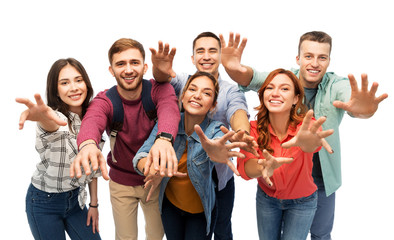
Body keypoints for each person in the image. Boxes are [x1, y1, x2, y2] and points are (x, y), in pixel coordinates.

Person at [220, 31, 388, 239]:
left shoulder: (337, 84)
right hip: (281, 180)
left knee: (320, 234)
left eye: (322, 57)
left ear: (329, 61)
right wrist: (233, 68)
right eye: (309, 56)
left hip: (320, 179)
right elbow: (252, 78)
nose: (315, 63)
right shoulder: (284, 81)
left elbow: (353, 102)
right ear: (298, 59)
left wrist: (364, 109)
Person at [70, 38, 181, 240]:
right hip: (121, 183)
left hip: (154, 179)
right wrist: (87, 144)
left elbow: (170, 110)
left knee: (156, 235)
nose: (128, 70)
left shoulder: (159, 90)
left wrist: (164, 139)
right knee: (125, 237)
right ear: (111, 70)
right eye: (121, 64)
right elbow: (92, 120)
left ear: (145, 67)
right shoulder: (105, 100)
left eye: (134, 63)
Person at [150, 32, 257, 240]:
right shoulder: (184, 83)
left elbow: (238, 111)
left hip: (221, 176)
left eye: (212, 51)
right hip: (186, 182)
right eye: (200, 51)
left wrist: (242, 134)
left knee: (223, 228)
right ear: (192, 58)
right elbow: (163, 79)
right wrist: (159, 70)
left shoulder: (230, 91)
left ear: (220, 56)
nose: (206, 56)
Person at [133, 71, 247, 240]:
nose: (198, 96)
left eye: (206, 93)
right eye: (192, 89)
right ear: (183, 95)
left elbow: (219, 143)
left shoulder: (215, 128)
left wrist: (215, 151)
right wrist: (150, 169)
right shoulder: (166, 123)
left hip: (200, 213)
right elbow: (141, 155)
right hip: (170, 207)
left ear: (213, 105)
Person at [237, 68, 335, 240]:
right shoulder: (253, 128)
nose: (275, 93)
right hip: (267, 199)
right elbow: (246, 168)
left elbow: (312, 143)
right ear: (263, 94)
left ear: (296, 98)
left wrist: (308, 141)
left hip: (302, 203)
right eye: (270, 88)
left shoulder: (306, 126)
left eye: (284, 89)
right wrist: (263, 167)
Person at [16, 58, 101, 240]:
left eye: (78, 80)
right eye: (64, 83)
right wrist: (41, 117)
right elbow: (51, 123)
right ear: (56, 90)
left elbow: (93, 168)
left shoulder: (94, 119)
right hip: (43, 202)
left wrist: (94, 205)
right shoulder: (55, 118)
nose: (74, 87)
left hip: (77, 202)